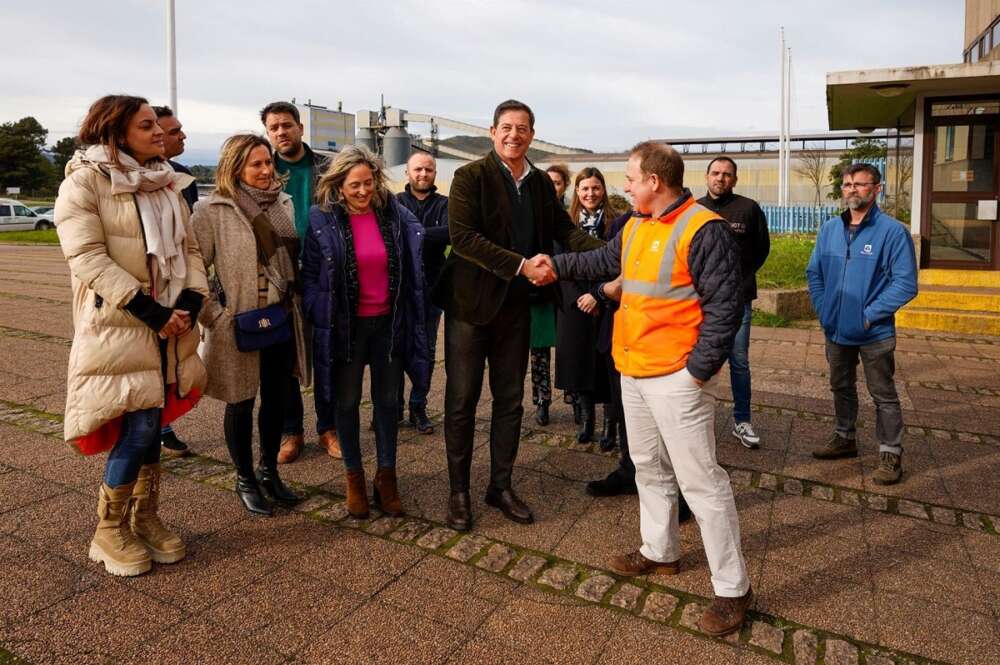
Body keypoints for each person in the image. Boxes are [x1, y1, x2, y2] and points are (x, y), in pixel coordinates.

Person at [547, 141, 752, 636]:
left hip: (678, 378)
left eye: (632, 179)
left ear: (655, 182)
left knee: (702, 481)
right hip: (633, 370)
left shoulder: (704, 230)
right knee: (648, 467)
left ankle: (734, 588)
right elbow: (599, 264)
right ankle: (661, 552)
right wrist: (550, 264)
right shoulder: (636, 224)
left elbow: (726, 307)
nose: (626, 186)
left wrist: (696, 372)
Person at [432, 100, 604, 531]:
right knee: (461, 401)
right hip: (470, 308)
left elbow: (563, 233)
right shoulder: (469, 177)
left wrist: (610, 255)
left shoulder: (542, 185)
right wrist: (523, 265)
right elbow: (464, 238)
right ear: (492, 132)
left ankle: (500, 485)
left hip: (516, 308)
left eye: (522, 128)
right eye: (506, 128)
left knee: (510, 401)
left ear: (532, 134)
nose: (514, 135)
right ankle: (458, 492)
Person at [55, 94, 208, 576]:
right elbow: (86, 257)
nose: (159, 132)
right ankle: (108, 529)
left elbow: (192, 251)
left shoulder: (166, 184)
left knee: (152, 419)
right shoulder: (84, 183)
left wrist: (186, 306)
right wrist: (149, 310)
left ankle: (145, 517)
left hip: (170, 327)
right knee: (139, 424)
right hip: (122, 322)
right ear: (117, 131)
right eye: (147, 126)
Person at [302, 145, 428, 519]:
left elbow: (416, 253)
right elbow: (310, 276)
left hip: (387, 325)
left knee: (388, 404)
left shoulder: (393, 216)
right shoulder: (322, 219)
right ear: (338, 185)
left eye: (368, 183)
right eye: (354, 185)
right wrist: (317, 309)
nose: (362, 192)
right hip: (346, 328)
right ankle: (354, 478)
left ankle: (386, 477)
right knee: (346, 404)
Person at [192, 134, 307, 516]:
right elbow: (194, 270)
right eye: (255, 164)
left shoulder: (283, 203)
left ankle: (269, 471)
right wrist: (214, 316)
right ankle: (244, 478)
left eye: (268, 163)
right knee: (240, 402)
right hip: (236, 322)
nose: (265, 170)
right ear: (234, 167)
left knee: (276, 400)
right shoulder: (212, 208)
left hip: (279, 318)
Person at [807, 163, 917, 485]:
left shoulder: (893, 232)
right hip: (836, 330)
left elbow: (905, 283)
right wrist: (824, 308)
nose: (852, 189)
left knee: (882, 392)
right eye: (847, 184)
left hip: (874, 332)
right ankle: (844, 436)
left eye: (860, 184)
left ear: (877, 189)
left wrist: (868, 315)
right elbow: (815, 273)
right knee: (840, 385)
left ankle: (890, 452)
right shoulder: (829, 230)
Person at [260, 101, 338, 463]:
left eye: (287, 125)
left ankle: (329, 427)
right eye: (274, 127)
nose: (281, 133)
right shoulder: (262, 168)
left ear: (300, 128)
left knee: (327, 353)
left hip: (324, 273)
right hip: (282, 275)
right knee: (284, 357)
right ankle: (292, 432)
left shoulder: (326, 166)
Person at [697, 156, 770, 449]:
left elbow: (761, 249)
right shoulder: (695, 209)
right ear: (706, 177)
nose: (721, 178)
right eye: (715, 173)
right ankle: (700, 422)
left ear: (735, 180)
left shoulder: (748, 208)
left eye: (727, 174)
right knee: (701, 360)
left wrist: (736, 279)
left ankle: (742, 421)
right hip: (699, 301)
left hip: (738, 300)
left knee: (738, 361)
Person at [555, 168, 617, 443]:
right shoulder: (565, 224)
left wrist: (598, 296)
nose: (590, 193)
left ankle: (610, 425)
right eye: (585, 189)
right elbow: (561, 264)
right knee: (580, 364)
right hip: (574, 304)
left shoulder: (615, 224)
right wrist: (580, 298)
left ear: (603, 190)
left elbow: (615, 265)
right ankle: (586, 420)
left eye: (595, 188)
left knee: (607, 367)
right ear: (576, 193)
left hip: (606, 303)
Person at [153, 104, 200, 458]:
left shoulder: (184, 177)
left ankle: (164, 424)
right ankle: (151, 429)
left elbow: (192, 236)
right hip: (144, 292)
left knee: (173, 363)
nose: (182, 136)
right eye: (174, 132)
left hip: (180, 287)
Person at [396, 152, 448, 434]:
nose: (423, 174)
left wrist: (413, 233)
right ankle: (394, 407)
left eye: (429, 169)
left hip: (431, 288)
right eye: (418, 169)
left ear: (434, 173)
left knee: (426, 350)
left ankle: (419, 405)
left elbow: (452, 233)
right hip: (398, 291)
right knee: (395, 350)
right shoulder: (394, 203)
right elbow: (389, 234)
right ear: (407, 172)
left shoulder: (445, 204)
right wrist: (429, 233)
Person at [529, 166, 572, 426]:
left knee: (570, 350)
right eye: (548, 183)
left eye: (556, 183)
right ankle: (542, 401)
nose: (552, 187)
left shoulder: (572, 214)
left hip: (569, 293)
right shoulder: (534, 215)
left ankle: (574, 398)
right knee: (540, 352)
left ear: (564, 185)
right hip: (542, 293)